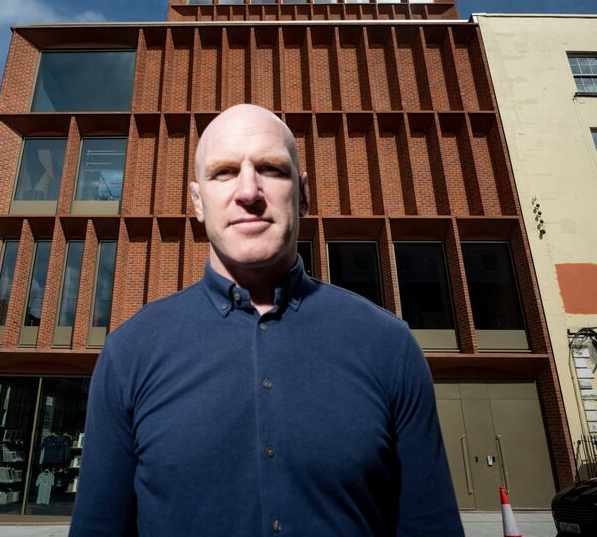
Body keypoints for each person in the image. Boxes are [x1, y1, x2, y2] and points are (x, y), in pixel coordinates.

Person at [70, 104, 464, 536]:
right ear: (197, 202)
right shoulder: (129, 353)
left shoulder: (389, 345)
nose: (248, 191)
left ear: (304, 193)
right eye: (223, 172)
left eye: (271, 168)